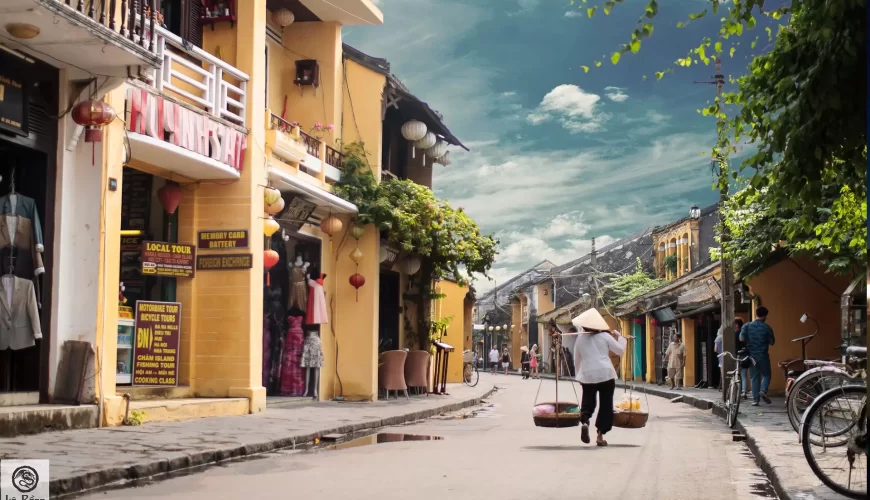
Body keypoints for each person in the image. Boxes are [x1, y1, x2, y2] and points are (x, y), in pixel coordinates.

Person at [571, 308, 627, 447]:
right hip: (606, 373)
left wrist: (579, 375)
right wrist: (620, 337)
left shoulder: (580, 339)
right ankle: (600, 436)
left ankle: (585, 421)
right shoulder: (605, 336)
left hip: (588, 374)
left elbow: (576, 360)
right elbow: (619, 350)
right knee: (606, 404)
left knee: (588, 402)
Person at [740, 306, 775, 406]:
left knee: (754, 377)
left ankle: (755, 400)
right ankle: (763, 390)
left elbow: (741, 338)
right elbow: (772, 342)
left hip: (751, 356)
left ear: (756, 314)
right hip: (763, 355)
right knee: (767, 375)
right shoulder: (767, 328)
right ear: (765, 316)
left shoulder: (746, 326)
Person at [733, 318, 748, 398]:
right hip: (745, 354)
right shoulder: (745, 333)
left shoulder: (736, 334)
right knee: (744, 375)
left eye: (734, 324)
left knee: (737, 374)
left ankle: (738, 391)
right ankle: (744, 391)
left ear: (737, 325)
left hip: (738, 356)